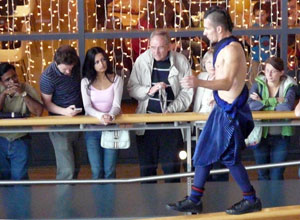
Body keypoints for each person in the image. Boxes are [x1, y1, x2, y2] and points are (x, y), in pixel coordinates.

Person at [167, 6, 262, 214]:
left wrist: (198, 82)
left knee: (227, 157)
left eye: (207, 28)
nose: (204, 33)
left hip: (230, 112)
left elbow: (227, 83)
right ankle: (195, 198)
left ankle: (250, 199)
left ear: (219, 29)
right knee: (203, 152)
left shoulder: (232, 49)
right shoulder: (224, 47)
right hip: (222, 110)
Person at [127, 30, 193, 183]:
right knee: (147, 171)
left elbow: (187, 92)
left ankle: (171, 203)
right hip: (147, 125)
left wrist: (171, 109)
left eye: (161, 47)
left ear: (169, 46)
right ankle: (149, 205)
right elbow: (132, 88)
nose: (156, 51)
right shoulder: (142, 60)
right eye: (152, 47)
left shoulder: (181, 61)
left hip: (172, 126)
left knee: (172, 171)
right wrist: (149, 91)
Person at [248, 57, 296, 180]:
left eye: (273, 71)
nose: (269, 74)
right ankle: (264, 199)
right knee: (262, 174)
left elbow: (286, 107)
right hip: (260, 136)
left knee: (277, 174)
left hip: (281, 137)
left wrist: (262, 103)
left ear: (281, 72)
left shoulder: (288, 86)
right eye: (267, 70)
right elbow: (251, 105)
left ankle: (276, 199)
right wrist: (274, 101)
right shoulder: (258, 85)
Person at [40, 45, 83, 180]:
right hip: (59, 125)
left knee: (76, 165)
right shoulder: (48, 77)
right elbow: (46, 104)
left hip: (79, 121)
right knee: (67, 170)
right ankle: (64, 200)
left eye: (71, 68)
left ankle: (72, 198)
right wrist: (64, 112)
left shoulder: (75, 66)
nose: (69, 72)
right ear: (56, 63)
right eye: (65, 69)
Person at [81, 47, 124, 179]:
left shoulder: (116, 80)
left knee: (109, 170)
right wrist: (101, 116)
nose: (101, 64)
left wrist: (109, 116)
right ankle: (99, 199)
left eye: (103, 60)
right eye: (97, 62)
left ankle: (109, 199)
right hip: (92, 129)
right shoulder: (86, 82)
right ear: (91, 64)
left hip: (111, 128)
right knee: (96, 170)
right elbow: (87, 106)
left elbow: (116, 105)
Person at [0, 62, 43, 180]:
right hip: (1, 139)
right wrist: (3, 94)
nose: (12, 81)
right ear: (1, 82)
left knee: (19, 177)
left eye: (14, 76)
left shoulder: (26, 88)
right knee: (3, 178)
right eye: (7, 79)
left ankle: (20, 199)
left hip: (20, 139)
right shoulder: (1, 90)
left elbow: (39, 111)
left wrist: (22, 93)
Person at [192, 49, 229, 182]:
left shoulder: (226, 78)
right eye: (208, 62)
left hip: (220, 125)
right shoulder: (201, 77)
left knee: (219, 159)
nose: (211, 65)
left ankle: (220, 186)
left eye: (214, 62)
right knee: (203, 157)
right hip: (201, 124)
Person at [248, 2, 275, 87]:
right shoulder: (254, 27)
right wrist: (247, 39)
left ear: (267, 14)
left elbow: (277, 42)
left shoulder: (272, 26)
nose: (259, 18)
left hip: (269, 58)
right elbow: (251, 43)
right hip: (256, 59)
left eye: (262, 15)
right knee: (255, 79)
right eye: (256, 16)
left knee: (270, 80)